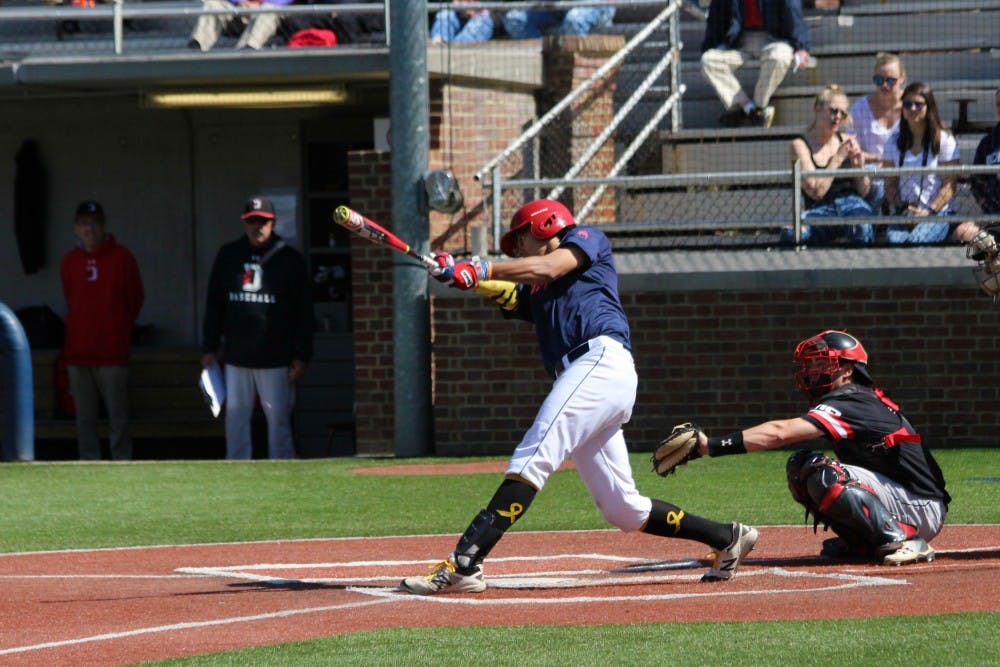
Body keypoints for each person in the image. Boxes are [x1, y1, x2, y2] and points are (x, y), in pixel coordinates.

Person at [400, 199, 757, 595]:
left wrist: (480, 266)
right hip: (590, 378)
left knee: (534, 456)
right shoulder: (540, 292)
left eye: (519, 239)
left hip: (599, 362)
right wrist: (456, 272)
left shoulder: (584, 240)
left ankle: (466, 562)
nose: (515, 250)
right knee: (623, 508)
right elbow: (511, 291)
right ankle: (727, 536)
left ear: (544, 226)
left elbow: (547, 267)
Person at [677, 330, 950, 565]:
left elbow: (780, 433)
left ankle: (903, 539)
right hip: (907, 497)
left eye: (822, 363)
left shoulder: (852, 399)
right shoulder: (853, 399)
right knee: (800, 466)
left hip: (922, 505)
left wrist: (709, 446)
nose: (812, 372)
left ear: (847, 369)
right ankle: (862, 542)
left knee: (820, 471)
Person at [201, 196, 314, 460]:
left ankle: (283, 469)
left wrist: (302, 354)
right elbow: (214, 303)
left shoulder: (289, 259)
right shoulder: (229, 255)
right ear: (244, 224)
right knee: (236, 417)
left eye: (262, 221)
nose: (257, 227)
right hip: (237, 355)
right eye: (252, 221)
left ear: (273, 223)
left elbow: (304, 313)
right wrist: (209, 346)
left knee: (278, 419)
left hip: (276, 356)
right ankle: (236, 467)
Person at [60, 200, 145, 461]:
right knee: (85, 417)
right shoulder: (70, 261)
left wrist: (117, 328)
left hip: (112, 353)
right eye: (84, 224)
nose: (90, 230)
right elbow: (70, 298)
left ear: (103, 225)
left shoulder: (122, 257)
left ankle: (121, 463)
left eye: (95, 223)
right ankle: (89, 463)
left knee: (117, 415)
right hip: (79, 354)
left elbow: (135, 298)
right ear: (76, 228)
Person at [780, 84, 873, 245]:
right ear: (817, 108)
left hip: (851, 204)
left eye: (843, 114)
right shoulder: (799, 145)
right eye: (833, 110)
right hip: (819, 210)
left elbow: (864, 191)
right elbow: (816, 192)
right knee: (790, 233)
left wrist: (859, 168)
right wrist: (837, 159)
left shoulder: (846, 140)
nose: (838, 117)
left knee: (863, 228)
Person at [700, 0, 811, 128]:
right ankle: (746, 106)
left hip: (772, 38)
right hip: (739, 40)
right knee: (708, 60)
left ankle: (759, 107)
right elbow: (716, 15)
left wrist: (801, 47)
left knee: (779, 57)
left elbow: (792, 8)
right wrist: (710, 45)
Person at [882, 82, 961, 244]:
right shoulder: (892, 142)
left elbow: (949, 185)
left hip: (937, 213)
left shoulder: (944, 140)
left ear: (929, 107)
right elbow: (889, 185)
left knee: (916, 240)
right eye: (907, 104)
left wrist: (928, 212)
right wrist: (903, 208)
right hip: (905, 213)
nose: (912, 109)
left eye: (918, 104)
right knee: (894, 240)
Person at [849, 52, 907, 213]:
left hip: (905, 172)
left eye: (891, 80)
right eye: (879, 80)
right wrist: (875, 159)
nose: (884, 86)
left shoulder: (913, 106)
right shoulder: (860, 108)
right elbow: (850, 147)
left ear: (902, 78)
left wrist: (890, 164)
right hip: (870, 174)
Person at [188, 0, 294, 51]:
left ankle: (246, 51)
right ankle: (197, 47)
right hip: (236, 10)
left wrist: (260, 5)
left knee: (269, 10)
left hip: (264, 14)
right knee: (212, 4)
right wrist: (239, 2)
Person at [502, 1, 615, 40]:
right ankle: (546, 60)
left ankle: (577, 71)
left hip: (594, 4)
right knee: (514, 18)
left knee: (574, 19)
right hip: (558, 5)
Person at [430, 0, 494, 44]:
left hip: (480, 18)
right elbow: (455, 3)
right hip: (459, 16)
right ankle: (441, 41)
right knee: (445, 15)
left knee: (482, 21)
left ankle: (456, 47)